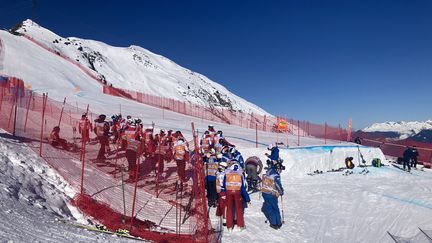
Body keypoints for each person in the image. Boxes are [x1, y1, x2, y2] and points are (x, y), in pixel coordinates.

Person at [223, 163, 250, 231]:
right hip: (237, 192)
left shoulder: (227, 174)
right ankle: (240, 225)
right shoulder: (240, 174)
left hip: (229, 192)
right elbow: (242, 187)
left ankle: (229, 226)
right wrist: (247, 198)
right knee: (239, 208)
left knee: (229, 208)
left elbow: (224, 184)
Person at [261, 162, 284, 230]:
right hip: (271, 193)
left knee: (270, 208)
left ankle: (273, 223)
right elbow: (278, 185)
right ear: (278, 168)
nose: (280, 171)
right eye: (280, 169)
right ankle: (278, 223)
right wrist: (281, 191)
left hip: (264, 192)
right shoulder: (275, 175)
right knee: (275, 208)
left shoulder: (269, 171)